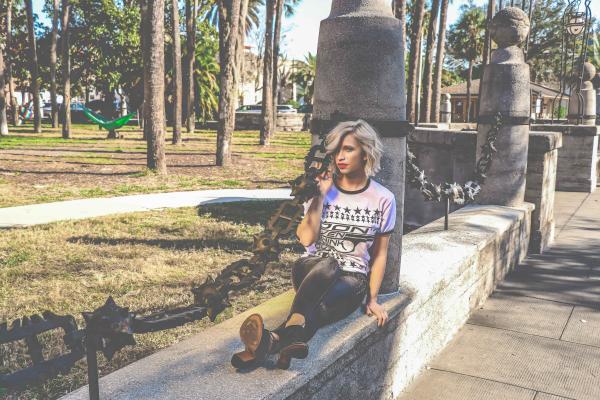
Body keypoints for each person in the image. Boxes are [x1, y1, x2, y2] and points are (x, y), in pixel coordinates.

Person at [231, 119, 396, 370]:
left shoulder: (383, 198)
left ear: (366, 153)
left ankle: (272, 342)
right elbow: (306, 239)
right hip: (310, 268)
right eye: (336, 150)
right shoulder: (321, 189)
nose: (340, 156)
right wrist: (320, 196)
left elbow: (380, 254)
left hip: (351, 280)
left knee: (315, 310)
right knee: (328, 262)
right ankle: (283, 337)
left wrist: (372, 299)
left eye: (348, 149)